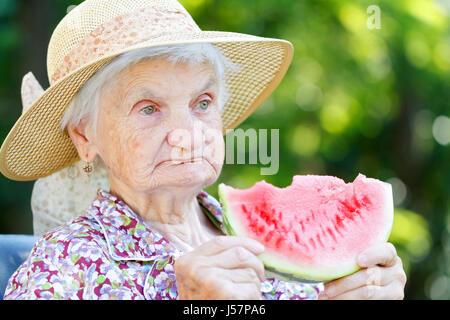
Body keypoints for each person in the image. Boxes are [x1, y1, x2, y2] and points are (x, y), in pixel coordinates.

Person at [0, 0, 406, 300]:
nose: (187, 134)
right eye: (149, 108)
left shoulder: (286, 255)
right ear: (84, 137)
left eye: (203, 103)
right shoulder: (58, 272)